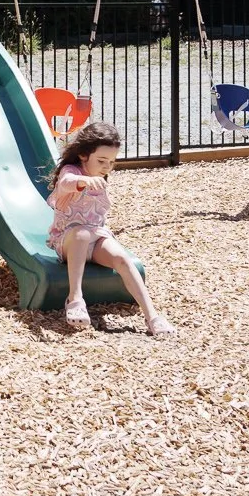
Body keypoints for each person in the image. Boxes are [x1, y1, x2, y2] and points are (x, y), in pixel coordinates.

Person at [47, 121, 173, 336]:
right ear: (83, 155)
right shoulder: (73, 171)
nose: (106, 167)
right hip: (68, 240)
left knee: (122, 258)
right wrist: (83, 180)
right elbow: (66, 182)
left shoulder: (99, 175)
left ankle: (152, 316)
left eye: (111, 162)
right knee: (82, 233)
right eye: (102, 160)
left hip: (95, 239)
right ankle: (75, 298)